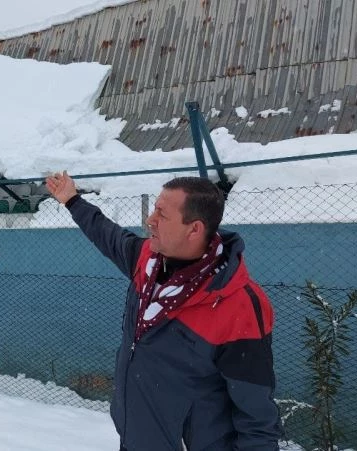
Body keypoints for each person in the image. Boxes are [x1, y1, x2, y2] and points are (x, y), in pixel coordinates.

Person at [45, 172, 282, 451]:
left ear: (193, 229)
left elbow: (257, 419)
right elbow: (106, 234)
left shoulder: (237, 304)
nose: (149, 220)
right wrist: (72, 200)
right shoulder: (147, 261)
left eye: (161, 214)